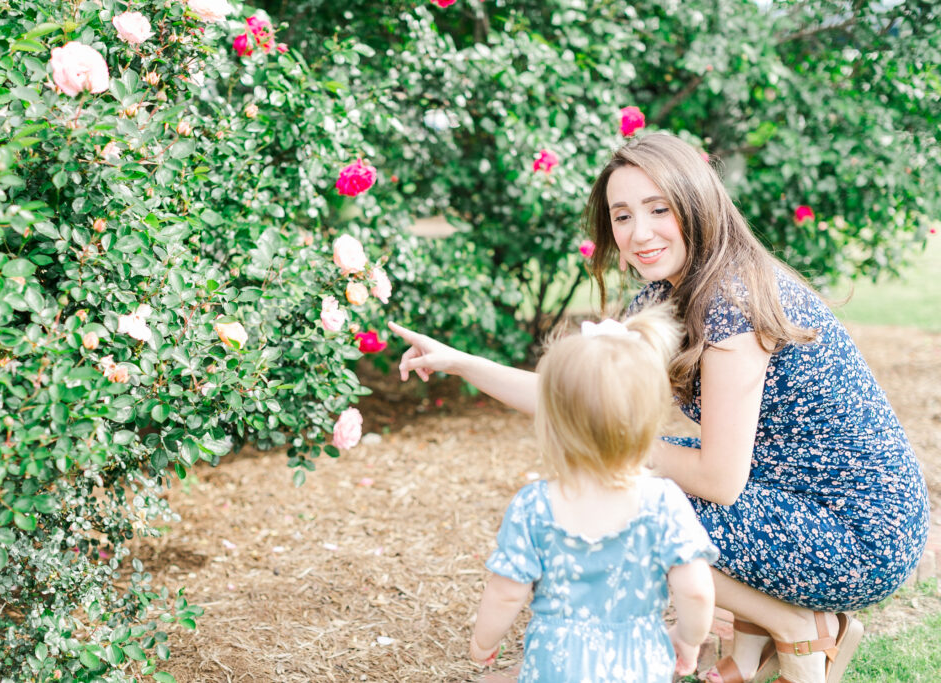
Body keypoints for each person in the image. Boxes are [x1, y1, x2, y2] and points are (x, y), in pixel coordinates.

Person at [389, 132, 930, 683]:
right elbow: (580, 397)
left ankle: (794, 626)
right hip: (794, 492)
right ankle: (754, 645)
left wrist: (621, 450)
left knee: (620, 492)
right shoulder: (662, 295)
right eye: (622, 216)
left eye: (658, 209)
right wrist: (461, 363)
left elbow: (718, 480)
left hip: (860, 533)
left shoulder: (733, 299)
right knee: (635, 473)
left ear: (695, 206)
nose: (638, 233)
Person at [467, 307, 718, 681]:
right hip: (640, 662)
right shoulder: (663, 502)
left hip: (556, 664)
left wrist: (482, 644)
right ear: (649, 423)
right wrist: (688, 639)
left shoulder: (534, 506)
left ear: (550, 423)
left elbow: (506, 592)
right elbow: (696, 590)